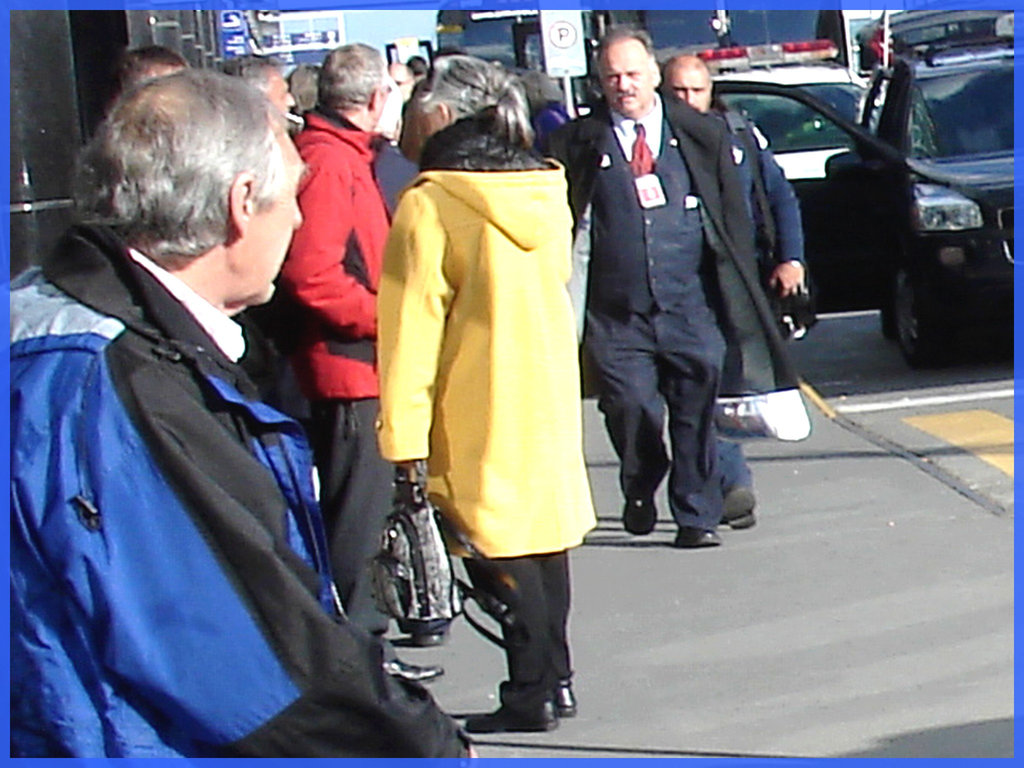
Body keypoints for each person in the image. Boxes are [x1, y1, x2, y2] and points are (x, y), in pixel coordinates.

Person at [9, 69, 470, 758]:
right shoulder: (123, 384)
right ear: (241, 203)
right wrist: (426, 742)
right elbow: (253, 670)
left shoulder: (58, 319)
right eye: (291, 199)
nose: (299, 219)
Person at [377, 55, 596, 733]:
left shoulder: (431, 203)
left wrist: (403, 442)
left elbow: (411, 329)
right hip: (545, 389)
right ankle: (553, 680)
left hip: (473, 396)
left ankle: (531, 689)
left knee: (492, 545)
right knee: (543, 540)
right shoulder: (540, 187)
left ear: (442, 113)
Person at [548, 28, 798, 549]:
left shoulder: (700, 135)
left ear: (653, 76)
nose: (624, 87)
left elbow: (740, 212)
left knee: (696, 410)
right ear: (599, 82)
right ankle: (640, 481)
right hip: (617, 314)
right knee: (631, 406)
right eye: (612, 77)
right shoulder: (576, 142)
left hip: (692, 304)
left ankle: (696, 515)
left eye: (633, 75)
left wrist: (764, 270)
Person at [279, 44, 442, 679]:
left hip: (364, 362)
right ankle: (358, 656)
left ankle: (367, 648)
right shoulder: (329, 163)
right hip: (348, 369)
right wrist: (388, 318)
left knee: (369, 514)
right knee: (357, 517)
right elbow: (313, 276)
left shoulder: (346, 157)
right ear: (376, 100)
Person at [662, 53, 807, 530]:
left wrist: (792, 258)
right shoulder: (656, 145)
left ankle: (724, 481)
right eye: (677, 92)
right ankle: (727, 481)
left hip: (738, 280)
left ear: (710, 93)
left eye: (695, 91)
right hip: (681, 285)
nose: (687, 102)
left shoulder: (739, 134)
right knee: (699, 383)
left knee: (728, 381)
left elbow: (780, 195)